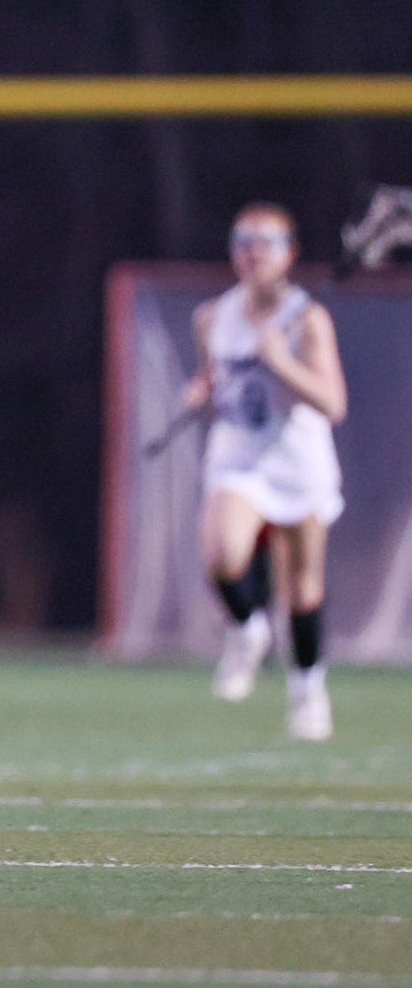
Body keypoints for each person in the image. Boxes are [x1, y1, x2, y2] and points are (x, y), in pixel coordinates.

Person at [182, 203, 346, 740]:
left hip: (297, 460)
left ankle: (307, 694)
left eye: (266, 241)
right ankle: (247, 629)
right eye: (243, 240)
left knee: (302, 589)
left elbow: (333, 403)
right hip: (240, 456)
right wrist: (200, 393)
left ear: (289, 254)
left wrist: (283, 362)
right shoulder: (211, 317)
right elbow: (217, 384)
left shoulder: (308, 320)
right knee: (222, 554)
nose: (252, 251)